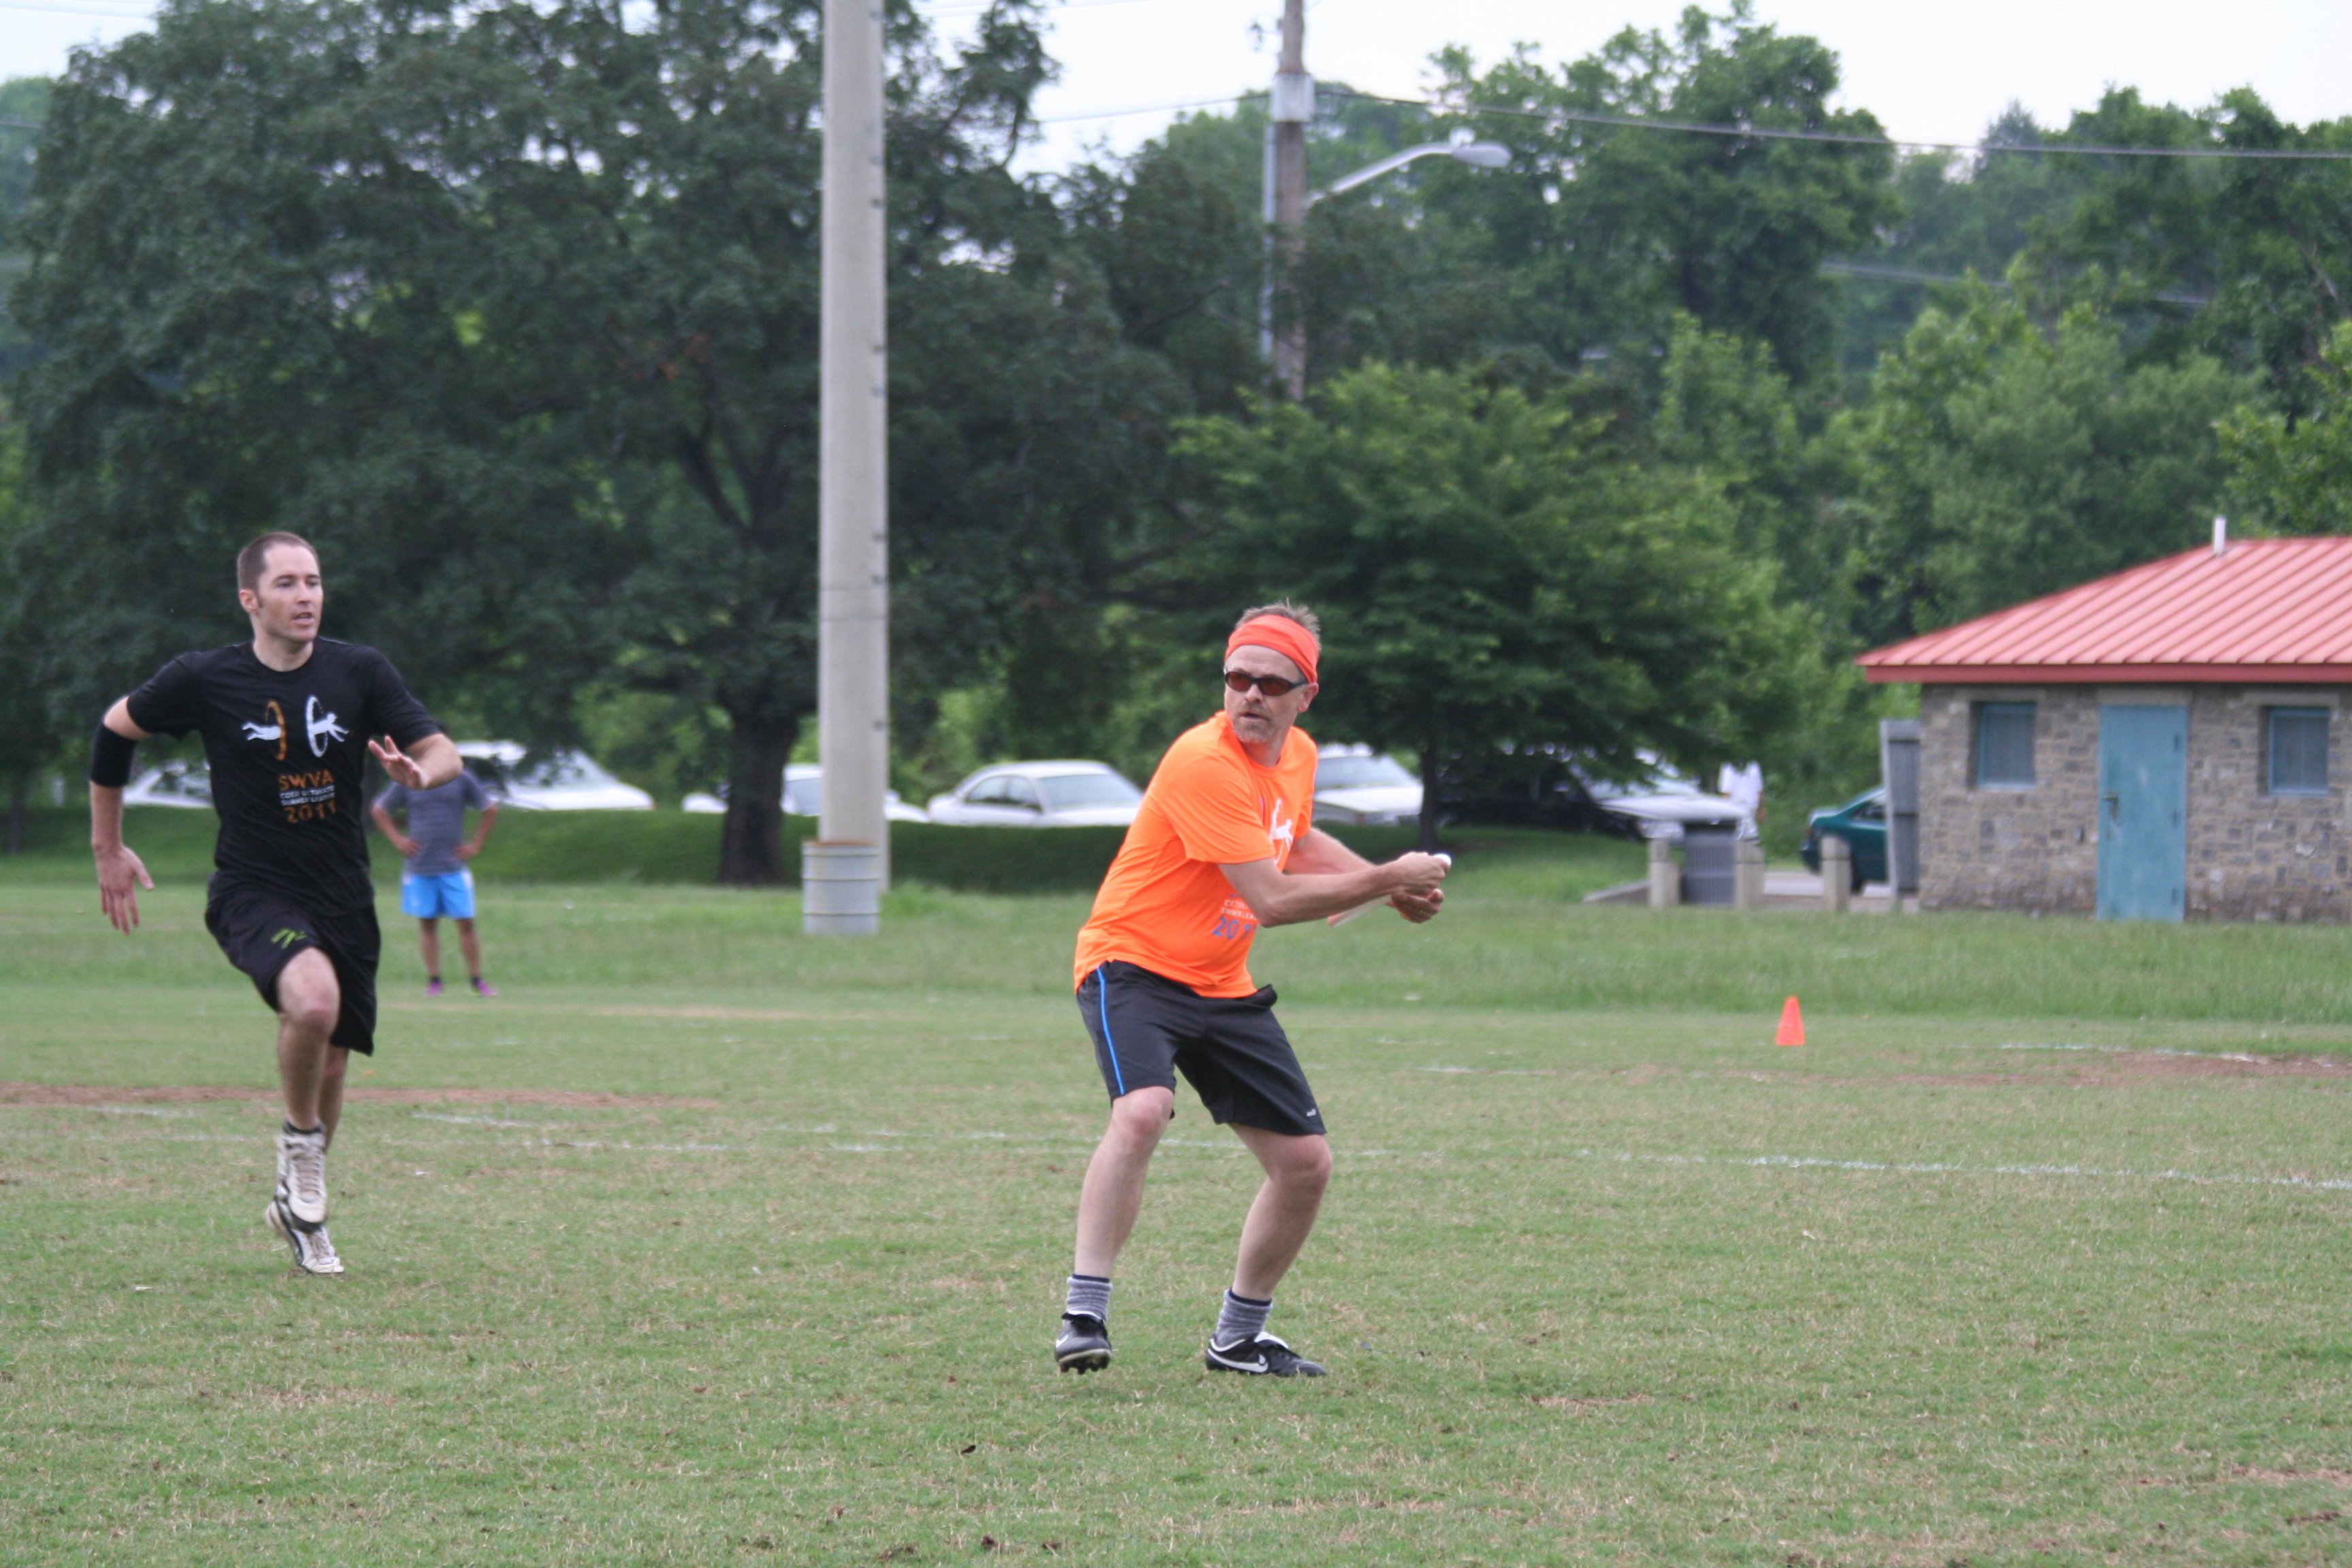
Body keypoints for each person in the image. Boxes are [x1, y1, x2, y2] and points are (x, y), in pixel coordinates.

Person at [1056, 602, 1450, 1377]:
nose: (1252, 696)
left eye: (1273, 684)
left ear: (1307, 694)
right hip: (1132, 963)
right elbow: (1270, 899)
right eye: (1239, 679)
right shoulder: (1202, 761)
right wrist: (1385, 878)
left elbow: (1293, 838)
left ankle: (1238, 1340)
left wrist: (1382, 888)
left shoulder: (1297, 754)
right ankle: (1084, 1313)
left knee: (1306, 1164)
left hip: (1220, 981)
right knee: (1142, 1110)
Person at [89, 531, 459, 1277]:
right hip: (254, 889)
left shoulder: (359, 670)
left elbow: (442, 752)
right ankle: (301, 1148)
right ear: (250, 600)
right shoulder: (204, 678)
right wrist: (108, 847)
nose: (306, 596)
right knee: (313, 1004)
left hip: (343, 893)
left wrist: (419, 777)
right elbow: (114, 728)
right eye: (287, 583)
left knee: (334, 1062)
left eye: (314, 581)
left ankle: (299, 1208)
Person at [372, 769, 499, 996]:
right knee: (428, 925)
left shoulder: (460, 777)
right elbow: (379, 810)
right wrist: (398, 840)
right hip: (420, 866)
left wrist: (476, 845)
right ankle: (435, 981)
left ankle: (477, 980)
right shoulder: (409, 778)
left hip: (454, 867)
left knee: (466, 923)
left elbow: (489, 809)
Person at [1718, 760, 1765, 836]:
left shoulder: (1728, 767)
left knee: (1738, 834)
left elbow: (1727, 793)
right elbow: (1759, 791)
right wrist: (1761, 810)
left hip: (1735, 807)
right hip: (1751, 806)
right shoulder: (1753, 765)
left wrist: (1723, 812)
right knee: (1751, 833)